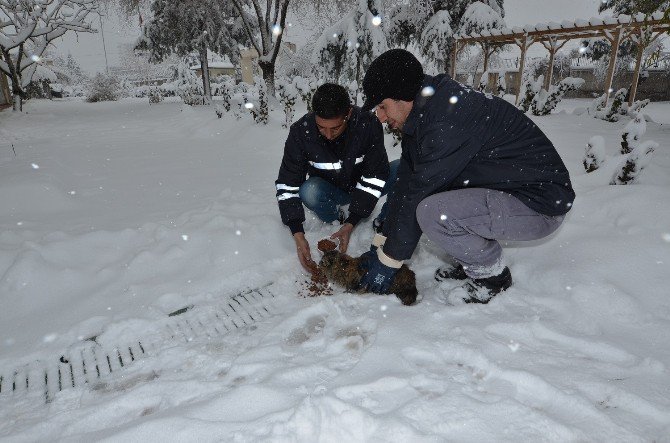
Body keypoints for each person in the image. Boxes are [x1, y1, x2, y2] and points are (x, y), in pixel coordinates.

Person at [357, 49, 575, 303]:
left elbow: (417, 194)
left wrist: (389, 260)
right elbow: (406, 181)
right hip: (511, 190)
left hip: (539, 204)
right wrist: (383, 238)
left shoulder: (445, 123)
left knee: (431, 211)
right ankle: (471, 259)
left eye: (383, 106)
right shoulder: (424, 115)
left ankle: (492, 277)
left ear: (404, 98)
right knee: (433, 201)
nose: (380, 117)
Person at [275, 83, 399, 272]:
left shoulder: (367, 125)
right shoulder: (301, 132)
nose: (328, 135)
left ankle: (382, 221)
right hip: (331, 192)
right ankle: (336, 218)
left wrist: (353, 221)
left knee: (402, 168)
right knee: (309, 190)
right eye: (321, 128)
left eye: (335, 128)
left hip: (362, 189)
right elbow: (287, 184)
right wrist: (297, 233)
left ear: (348, 114)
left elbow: (375, 175)